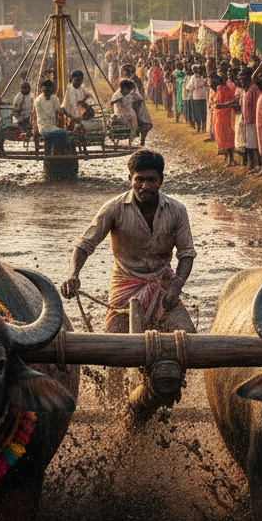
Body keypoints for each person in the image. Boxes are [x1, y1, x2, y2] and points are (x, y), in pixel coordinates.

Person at [61, 147, 195, 338]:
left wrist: (176, 287)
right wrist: (73, 275)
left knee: (188, 339)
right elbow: (84, 245)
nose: (145, 186)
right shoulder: (114, 208)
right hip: (125, 287)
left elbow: (187, 254)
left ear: (161, 181)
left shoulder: (177, 210)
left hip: (163, 286)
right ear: (130, 179)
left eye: (151, 180)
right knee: (115, 353)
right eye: (139, 179)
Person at [34, 79, 67, 154]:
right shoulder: (38, 101)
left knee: (62, 134)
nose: (47, 93)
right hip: (44, 128)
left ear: (52, 91)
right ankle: (59, 154)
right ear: (42, 90)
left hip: (53, 127)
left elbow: (58, 113)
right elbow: (39, 118)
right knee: (63, 134)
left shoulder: (55, 99)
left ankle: (59, 153)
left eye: (49, 91)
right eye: (45, 91)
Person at [109, 79, 138, 144]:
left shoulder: (129, 94)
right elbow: (112, 102)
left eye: (130, 90)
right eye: (128, 90)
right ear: (123, 88)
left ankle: (130, 141)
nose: (128, 92)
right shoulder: (117, 95)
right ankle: (116, 139)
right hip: (120, 113)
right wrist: (117, 100)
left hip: (129, 112)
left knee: (133, 119)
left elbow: (135, 101)